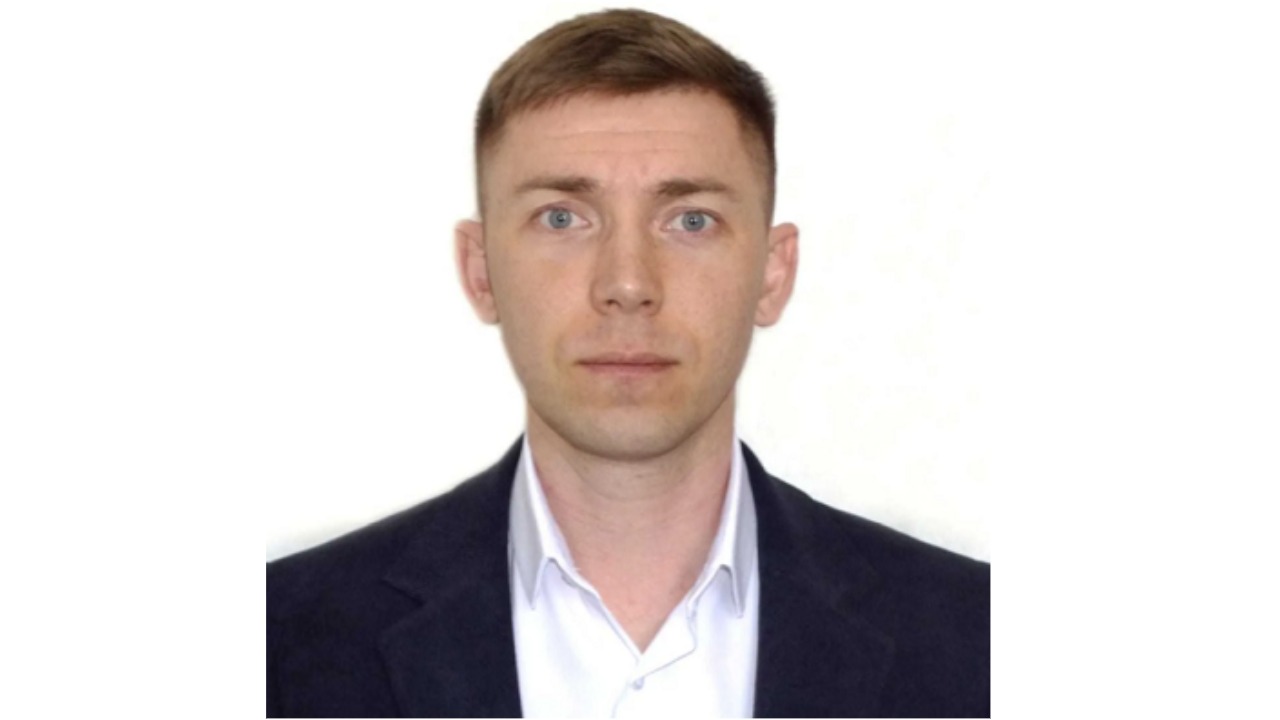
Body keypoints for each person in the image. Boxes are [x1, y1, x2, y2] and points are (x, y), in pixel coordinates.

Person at [267, 8, 989, 718]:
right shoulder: (276, 645)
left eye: (691, 220)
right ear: (480, 271)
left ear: (773, 273)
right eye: (562, 217)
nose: (628, 284)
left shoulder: (982, 645)